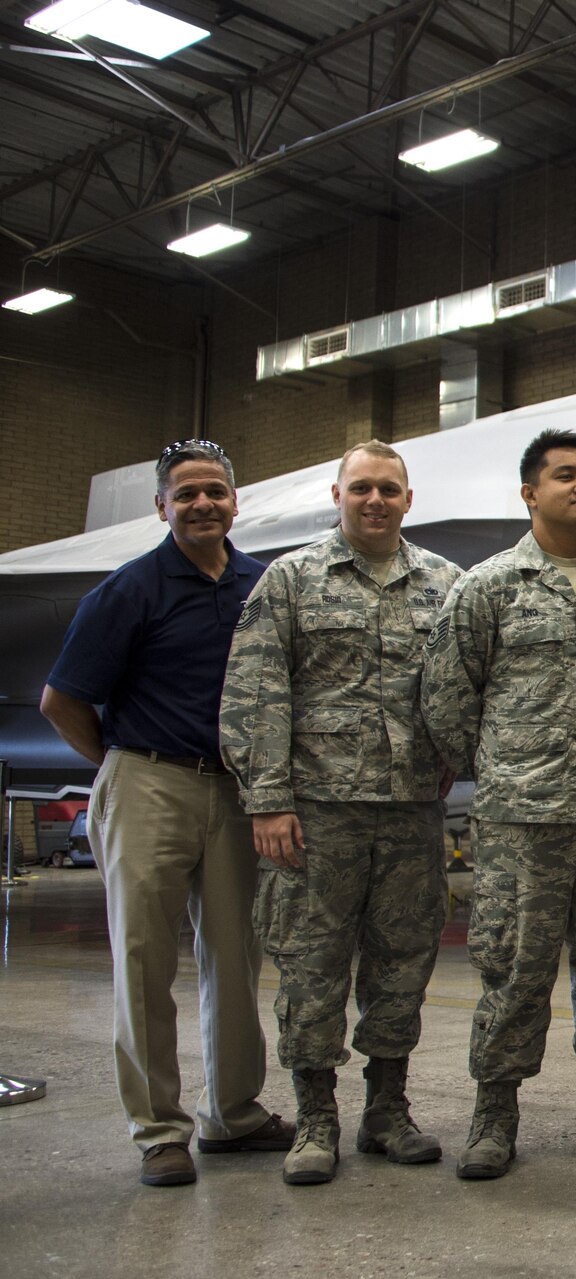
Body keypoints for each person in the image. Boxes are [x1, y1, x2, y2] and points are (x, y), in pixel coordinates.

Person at [39, 439, 294, 1187]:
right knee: (146, 961)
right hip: (149, 780)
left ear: (236, 501)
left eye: (215, 491)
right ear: (162, 507)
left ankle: (235, 1113)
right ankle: (158, 1130)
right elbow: (62, 700)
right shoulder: (129, 590)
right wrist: (121, 764)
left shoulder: (262, 585)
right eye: (186, 494)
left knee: (235, 957)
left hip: (234, 790)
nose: (203, 504)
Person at [422, 428, 576, 1178]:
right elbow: (446, 697)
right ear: (530, 491)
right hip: (521, 821)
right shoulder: (488, 587)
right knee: (514, 969)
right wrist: (504, 769)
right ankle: (494, 1115)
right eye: (565, 475)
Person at [217, 439, 460, 1185]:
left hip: (412, 810)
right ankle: (315, 1116)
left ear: (409, 499)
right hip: (317, 814)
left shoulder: (444, 584)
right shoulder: (291, 580)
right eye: (362, 488)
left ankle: (387, 1106)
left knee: (403, 962)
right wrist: (267, 800)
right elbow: (256, 693)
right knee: (311, 966)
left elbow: (462, 689)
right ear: (337, 495)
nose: (376, 500)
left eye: (389, 488)